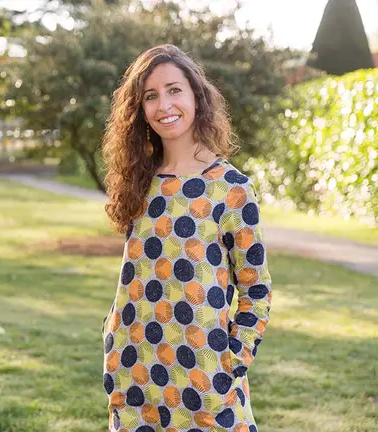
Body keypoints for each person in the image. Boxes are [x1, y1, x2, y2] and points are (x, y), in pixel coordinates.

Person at [100, 44, 271, 432]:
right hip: (135, 375)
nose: (164, 105)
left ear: (196, 95)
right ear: (139, 109)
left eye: (174, 90)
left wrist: (231, 364)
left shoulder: (231, 187)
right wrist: (112, 340)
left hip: (206, 382)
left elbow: (256, 290)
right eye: (151, 96)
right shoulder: (139, 183)